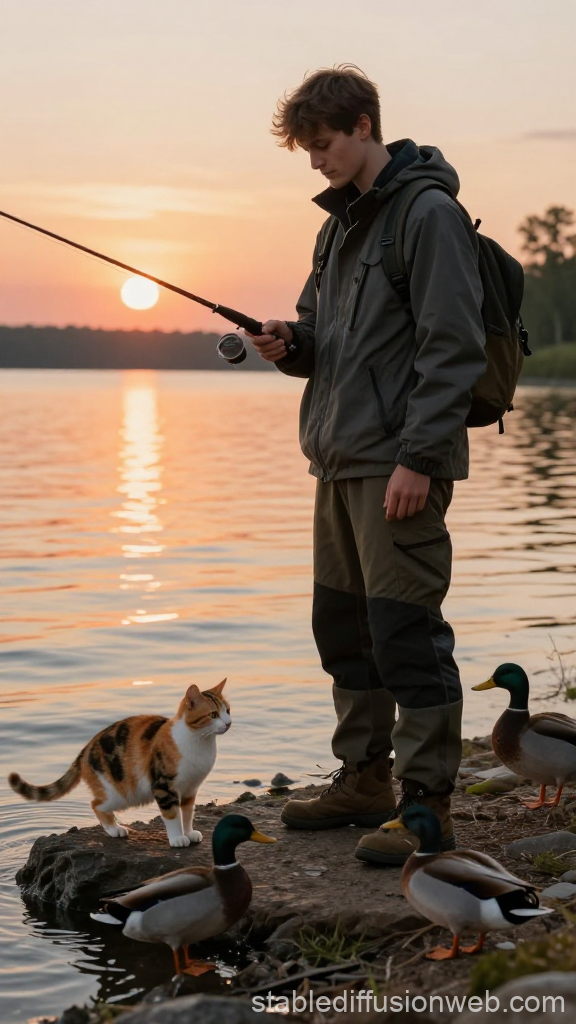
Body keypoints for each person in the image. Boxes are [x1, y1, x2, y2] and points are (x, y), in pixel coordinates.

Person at [246, 66, 486, 865]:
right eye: (307, 150)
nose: (315, 161)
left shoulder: (427, 215)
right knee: (344, 630)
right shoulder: (337, 228)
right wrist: (291, 343)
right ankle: (363, 779)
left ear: (362, 124)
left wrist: (419, 459)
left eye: (322, 144)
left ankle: (427, 811)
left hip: (400, 466)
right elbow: (324, 340)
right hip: (337, 464)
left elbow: (453, 347)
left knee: (407, 633)